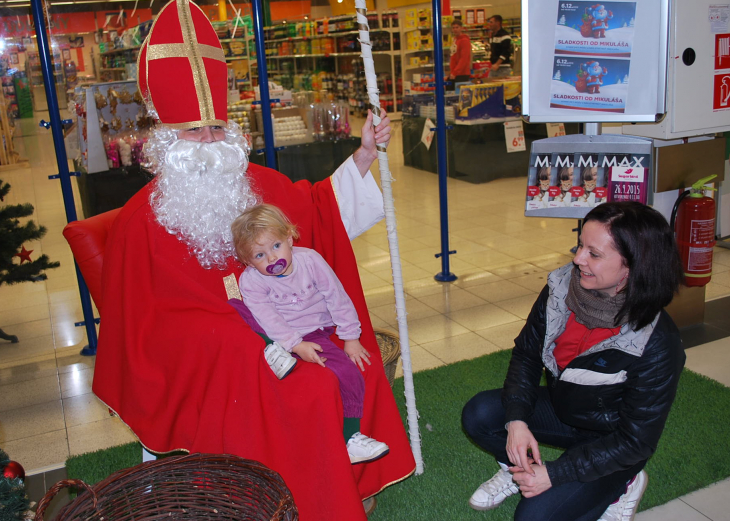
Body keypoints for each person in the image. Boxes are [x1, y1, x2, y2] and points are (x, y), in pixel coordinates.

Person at [91, 1, 416, 520]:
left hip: (286, 313)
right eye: (194, 131)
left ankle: (344, 478)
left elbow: (317, 214)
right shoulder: (139, 219)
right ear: (166, 141)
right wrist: (236, 337)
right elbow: (139, 325)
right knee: (300, 386)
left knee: (351, 358)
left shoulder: (257, 184)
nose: (210, 142)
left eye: (217, 127)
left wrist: (364, 157)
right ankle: (287, 496)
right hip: (209, 343)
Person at [462, 202, 685, 521]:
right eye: (580, 245)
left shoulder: (658, 342)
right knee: (480, 414)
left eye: (593, 253)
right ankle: (518, 471)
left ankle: (627, 483)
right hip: (563, 408)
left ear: (634, 266)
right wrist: (517, 420)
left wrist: (555, 473)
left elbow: (635, 440)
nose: (578, 258)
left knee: (534, 517)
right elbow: (527, 354)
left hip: (614, 441)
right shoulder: (560, 287)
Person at [231, 204, 390, 464]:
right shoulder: (251, 280)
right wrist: (295, 344)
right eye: (260, 255)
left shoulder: (311, 260)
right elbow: (267, 318)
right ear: (248, 261)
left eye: (275, 246)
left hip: (320, 328)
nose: (271, 259)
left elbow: (337, 296)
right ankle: (350, 437)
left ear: (290, 238)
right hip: (291, 334)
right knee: (345, 371)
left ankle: (350, 437)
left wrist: (351, 336)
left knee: (353, 368)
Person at [448, 19, 472, 91]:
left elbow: (464, 59)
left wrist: (455, 72)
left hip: (462, 74)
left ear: (461, 28)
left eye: (457, 27)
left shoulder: (464, 41)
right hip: (454, 73)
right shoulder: (455, 40)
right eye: (453, 27)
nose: (455, 29)